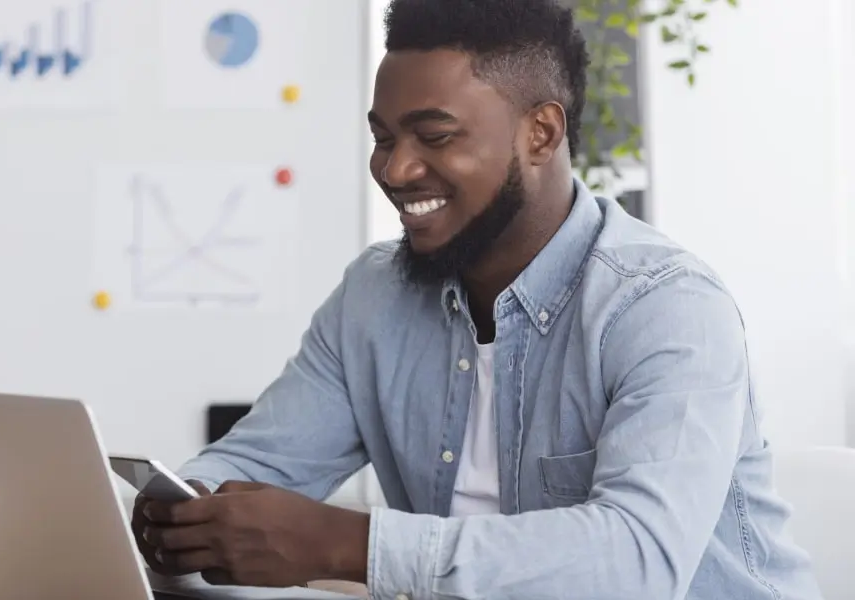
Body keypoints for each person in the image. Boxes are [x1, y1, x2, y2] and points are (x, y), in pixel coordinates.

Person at [130, 0, 822, 598]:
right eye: (382, 136)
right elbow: (256, 466)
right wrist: (180, 513)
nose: (395, 169)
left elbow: (638, 562)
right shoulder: (373, 298)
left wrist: (349, 545)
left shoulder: (666, 306)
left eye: (434, 137)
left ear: (541, 134)